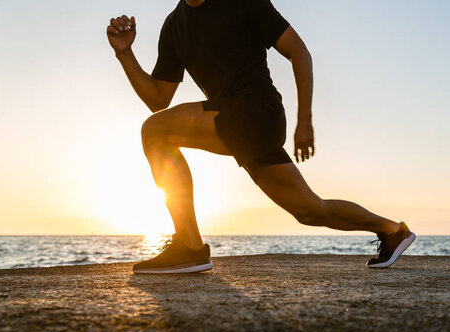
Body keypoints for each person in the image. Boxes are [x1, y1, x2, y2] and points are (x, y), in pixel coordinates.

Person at [106, 0, 415, 274]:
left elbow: (298, 51)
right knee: (309, 210)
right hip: (235, 125)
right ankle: (391, 230)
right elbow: (159, 98)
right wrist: (125, 53)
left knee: (155, 130)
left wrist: (304, 120)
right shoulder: (174, 25)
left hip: (257, 112)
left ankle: (189, 246)